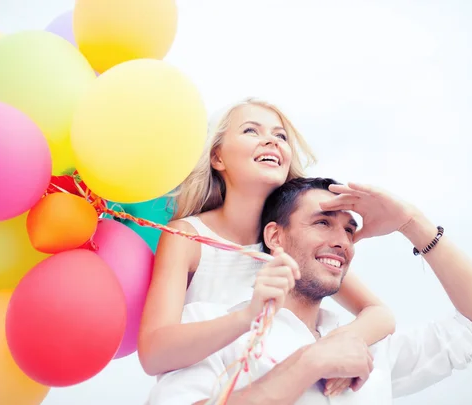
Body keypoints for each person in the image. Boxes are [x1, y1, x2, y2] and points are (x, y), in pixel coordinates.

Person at [147, 177, 472, 404]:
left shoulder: (366, 346)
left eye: (349, 230)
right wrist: (311, 362)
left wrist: (412, 223)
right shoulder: (211, 326)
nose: (341, 241)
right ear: (275, 237)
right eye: (323, 222)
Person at [137, 98, 396, 396]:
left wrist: (334, 346)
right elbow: (154, 354)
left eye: (281, 136)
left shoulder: (292, 242)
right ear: (217, 157)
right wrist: (247, 317)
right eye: (251, 131)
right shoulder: (187, 237)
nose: (271, 141)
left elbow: (380, 314)